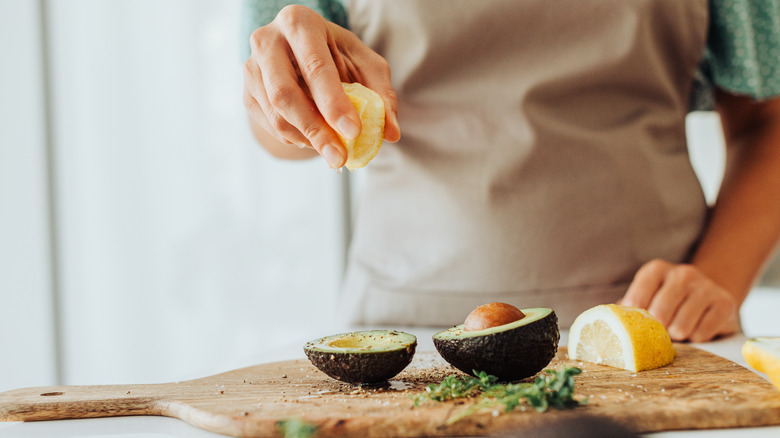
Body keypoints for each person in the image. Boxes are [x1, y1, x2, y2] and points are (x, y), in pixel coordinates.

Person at [242, 0, 780, 342]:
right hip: (404, 332)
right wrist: (284, 96)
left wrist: (716, 281)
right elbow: (281, 137)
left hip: (648, 331)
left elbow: (768, 123)